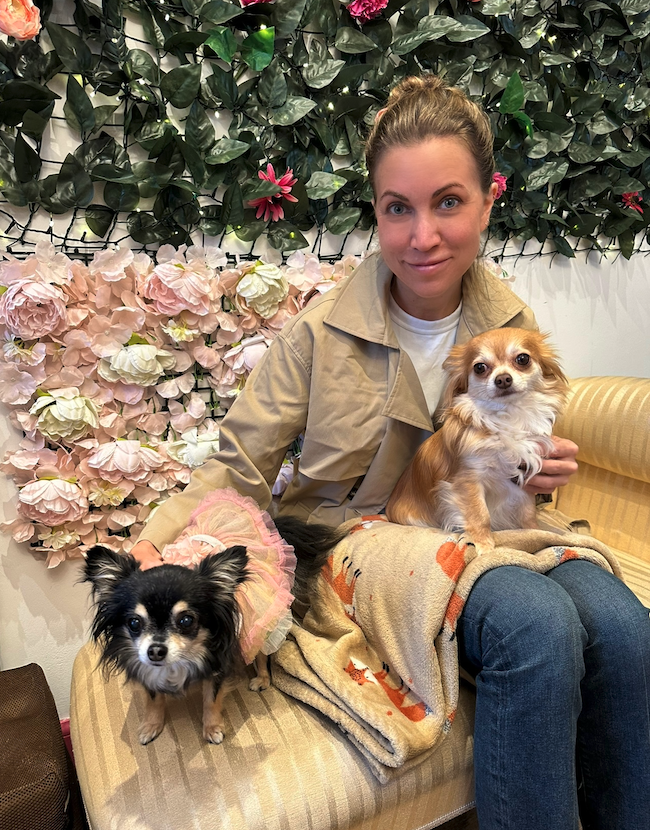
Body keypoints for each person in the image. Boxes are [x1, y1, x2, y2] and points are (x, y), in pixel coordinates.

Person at [132, 75, 650, 829]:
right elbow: (239, 462)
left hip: (482, 523)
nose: (422, 236)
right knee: (536, 626)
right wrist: (153, 535)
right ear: (375, 211)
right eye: (396, 208)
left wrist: (540, 462)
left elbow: (515, 444)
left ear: (487, 201)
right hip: (358, 537)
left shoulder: (510, 322)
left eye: (448, 201)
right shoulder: (318, 332)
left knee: (630, 631)